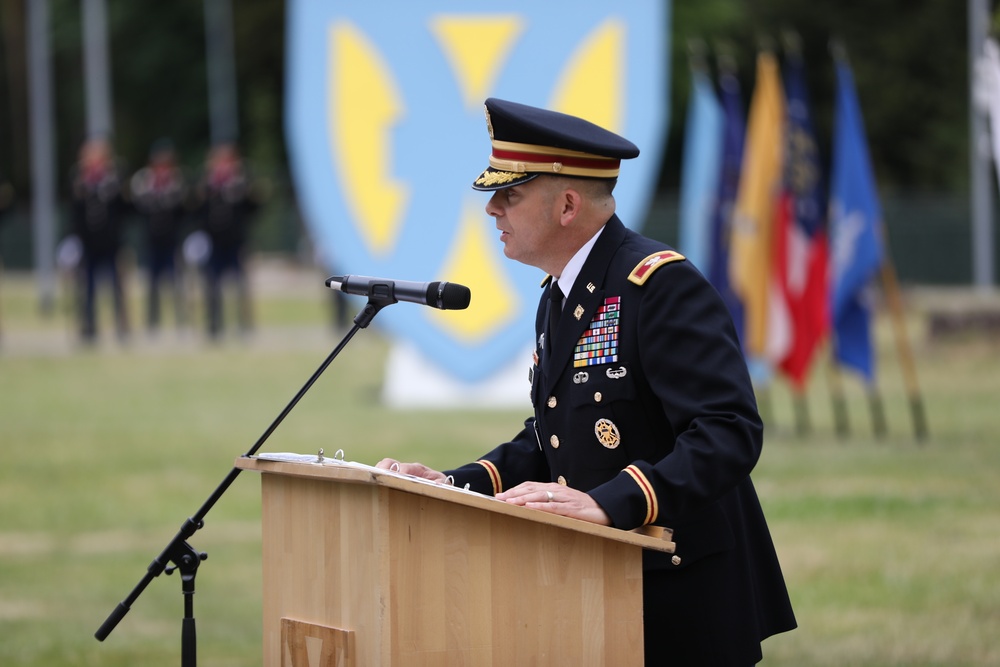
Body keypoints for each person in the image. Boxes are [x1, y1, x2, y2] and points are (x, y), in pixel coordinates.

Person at [378, 98, 796, 665]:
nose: (492, 210)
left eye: (510, 194)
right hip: (600, 586)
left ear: (568, 205)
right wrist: (455, 486)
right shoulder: (561, 294)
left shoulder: (659, 285)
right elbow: (553, 435)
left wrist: (610, 503)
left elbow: (728, 431)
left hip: (681, 592)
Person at [193, 142, 258, 339]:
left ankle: (243, 325)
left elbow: (253, 209)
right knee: (212, 285)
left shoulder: (240, 184)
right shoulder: (207, 186)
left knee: (240, 285)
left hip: (236, 242)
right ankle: (214, 325)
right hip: (213, 243)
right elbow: (197, 213)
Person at [70, 136, 131, 343]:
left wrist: (116, 185)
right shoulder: (80, 181)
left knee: (117, 287)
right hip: (88, 244)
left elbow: (126, 210)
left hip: (112, 243)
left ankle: (122, 327)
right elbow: (75, 214)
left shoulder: (114, 180)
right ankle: (88, 326)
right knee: (87, 288)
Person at [131, 139, 188, 333]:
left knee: (177, 282)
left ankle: (181, 321)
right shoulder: (144, 183)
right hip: (151, 241)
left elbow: (184, 211)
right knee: (152, 284)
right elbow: (136, 209)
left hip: (172, 241)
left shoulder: (177, 183)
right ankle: (152, 323)